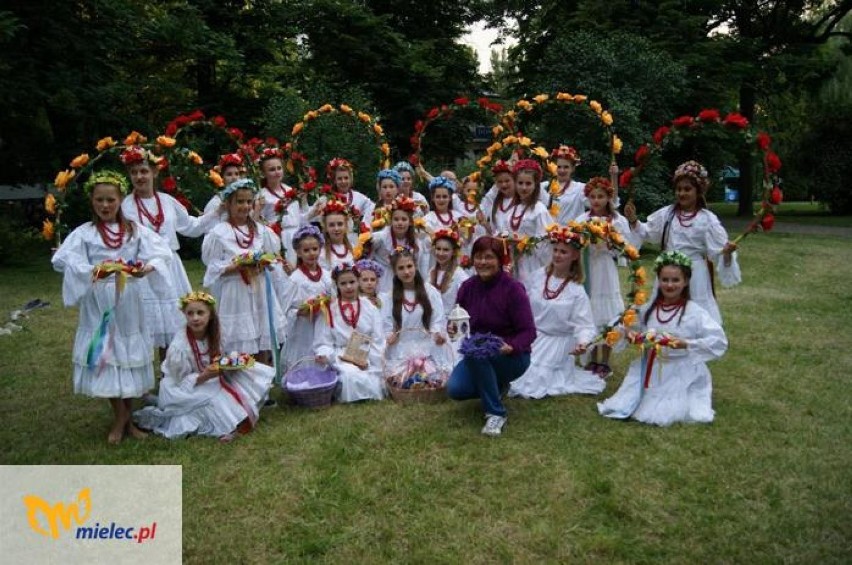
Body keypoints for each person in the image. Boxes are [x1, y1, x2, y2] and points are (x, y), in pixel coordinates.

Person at [51, 170, 172, 444]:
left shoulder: (134, 230)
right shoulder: (84, 234)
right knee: (107, 357)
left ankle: (126, 423)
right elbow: (62, 261)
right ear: (92, 202)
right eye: (99, 200)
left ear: (120, 201)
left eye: (111, 200)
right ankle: (121, 419)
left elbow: (160, 252)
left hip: (129, 300)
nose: (105, 206)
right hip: (99, 304)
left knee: (127, 358)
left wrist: (145, 268)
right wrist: (94, 270)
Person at [597, 251, 728, 426]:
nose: (670, 285)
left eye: (675, 280)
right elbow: (621, 323)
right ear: (658, 281)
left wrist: (686, 344)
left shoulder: (694, 311)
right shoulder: (649, 308)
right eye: (665, 280)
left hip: (681, 368)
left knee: (667, 408)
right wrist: (629, 333)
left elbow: (719, 341)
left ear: (686, 281)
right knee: (627, 401)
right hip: (652, 365)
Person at [134, 291, 274, 441]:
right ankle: (227, 425)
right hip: (183, 385)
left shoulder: (216, 333)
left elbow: (221, 356)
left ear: (210, 314)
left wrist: (231, 362)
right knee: (215, 398)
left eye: (200, 313)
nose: (195, 318)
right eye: (190, 313)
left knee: (246, 373)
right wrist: (206, 375)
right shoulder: (179, 346)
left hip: (210, 377)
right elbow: (180, 380)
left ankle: (235, 419)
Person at [120, 145, 219, 353]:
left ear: (155, 172)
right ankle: (144, 371)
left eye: (144, 171)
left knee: (172, 322)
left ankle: (170, 373)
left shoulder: (167, 201)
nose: (140, 176)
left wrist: (217, 212)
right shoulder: (125, 206)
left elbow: (191, 226)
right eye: (134, 172)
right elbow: (121, 240)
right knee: (145, 324)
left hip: (169, 266)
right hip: (141, 268)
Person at [624, 160, 740, 324]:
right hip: (668, 273)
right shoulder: (667, 214)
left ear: (698, 192)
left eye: (687, 189)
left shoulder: (707, 220)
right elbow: (648, 233)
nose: (682, 193)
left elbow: (719, 251)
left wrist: (727, 253)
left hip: (695, 275)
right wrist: (633, 219)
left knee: (693, 316)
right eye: (678, 189)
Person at [446, 236, 536, 436]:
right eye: (478, 257)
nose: (483, 262)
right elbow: (458, 318)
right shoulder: (467, 287)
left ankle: (495, 413)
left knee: (478, 354)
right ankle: (497, 386)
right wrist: (452, 328)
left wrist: (511, 346)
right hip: (477, 352)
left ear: (500, 260)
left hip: (512, 355)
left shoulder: (513, 289)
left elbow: (529, 332)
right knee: (455, 389)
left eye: (489, 257)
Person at [201, 178, 290, 364]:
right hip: (235, 291)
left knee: (262, 329)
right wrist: (235, 266)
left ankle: (263, 375)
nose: (245, 206)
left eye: (249, 201)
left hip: (259, 287)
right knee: (239, 336)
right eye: (239, 201)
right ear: (228, 204)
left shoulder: (260, 230)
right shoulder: (219, 232)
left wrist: (264, 262)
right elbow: (213, 267)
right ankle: (239, 372)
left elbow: (271, 255)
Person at [509, 225, 601, 398]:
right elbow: (522, 302)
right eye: (556, 250)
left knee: (535, 378)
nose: (557, 255)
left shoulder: (576, 291)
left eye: (563, 252)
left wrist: (583, 342)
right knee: (515, 369)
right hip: (533, 337)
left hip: (557, 342)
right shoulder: (538, 276)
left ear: (574, 256)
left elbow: (585, 324)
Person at [574, 176, 640, 378]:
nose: (596, 200)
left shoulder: (617, 220)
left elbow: (626, 247)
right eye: (592, 196)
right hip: (587, 267)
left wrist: (612, 244)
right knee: (590, 311)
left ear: (608, 198)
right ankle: (593, 357)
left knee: (608, 313)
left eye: (600, 196)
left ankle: (604, 361)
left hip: (605, 267)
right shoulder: (582, 220)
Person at [314, 263, 386, 402]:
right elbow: (323, 340)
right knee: (350, 374)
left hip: (366, 353)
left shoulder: (369, 307)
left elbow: (378, 338)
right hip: (342, 355)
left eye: (352, 282)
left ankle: (370, 393)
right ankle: (354, 396)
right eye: (343, 283)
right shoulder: (330, 310)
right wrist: (326, 355)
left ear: (358, 282)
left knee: (371, 373)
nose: (348, 287)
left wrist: (373, 358)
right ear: (337, 285)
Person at [283, 224, 336, 370]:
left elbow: (334, 298)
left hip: (323, 324)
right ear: (298, 253)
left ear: (320, 249)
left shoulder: (326, 275)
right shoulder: (295, 279)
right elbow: (284, 308)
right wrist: (298, 312)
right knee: (304, 352)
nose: (311, 253)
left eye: (315, 249)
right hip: (303, 326)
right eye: (306, 250)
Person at [380, 247, 446, 347]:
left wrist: (437, 334)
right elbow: (386, 324)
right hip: (399, 351)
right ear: (395, 271)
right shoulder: (389, 298)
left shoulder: (430, 292)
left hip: (426, 348)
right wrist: (389, 336)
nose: (406, 272)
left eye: (409, 266)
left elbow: (438, 319)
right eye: (401, 268)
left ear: (416, 266)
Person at [370, 196, 430, 292]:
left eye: (404, 219)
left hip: (405, 277)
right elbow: (368, 257)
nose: (400, 223)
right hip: (383, 278)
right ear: (391, 221)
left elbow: (419, 263)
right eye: (396, 219)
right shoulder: (380, 238)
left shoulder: (415, 241)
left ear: (410, 222)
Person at [507, 159, 551, 286]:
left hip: (533, 263)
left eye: (528, 183)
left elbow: (545, 241)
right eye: (520, 183)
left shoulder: (539, 210)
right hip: (515, 262)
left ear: (535, 185)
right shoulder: (513, 209)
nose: (524, 187)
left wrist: (523, 242)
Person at [256, 146, 303, 259]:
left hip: (295, 235)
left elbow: (298, 217)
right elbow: (257, 221)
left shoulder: (289, 190)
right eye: (272, 170)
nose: (277, 172)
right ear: (263, 173)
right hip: (276, 237)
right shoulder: (262, 195)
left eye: (279, 168)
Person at [540, 145, 587, 223]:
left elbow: (608, 202)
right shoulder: (544, 186)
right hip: (548, 232)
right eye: (559, 167)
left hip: (572, 233)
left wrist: (614, 176)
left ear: (573, 168)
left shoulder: (580, 188)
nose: (562, 170)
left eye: (566, 167)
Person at [428, 228, 469, 312]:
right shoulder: (432, 271)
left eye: (446, 250)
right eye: (438, 249)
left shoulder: (460, 276)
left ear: (453, 252)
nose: (441, 253)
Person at [327, 157, 375, 226]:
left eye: (346, 178)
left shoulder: (358, 197)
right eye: (339, 179)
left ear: (351, 179)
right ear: (334, 181)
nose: (343, 181)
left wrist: (364, 224)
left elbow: (373, 208)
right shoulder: (328, 197)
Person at [318, 200, 355, 271]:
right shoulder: (322, 252)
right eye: (331, 225)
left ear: (346, 226)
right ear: (325, 228)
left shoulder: (353, 248)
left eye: (340, 224)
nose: (336, 228)